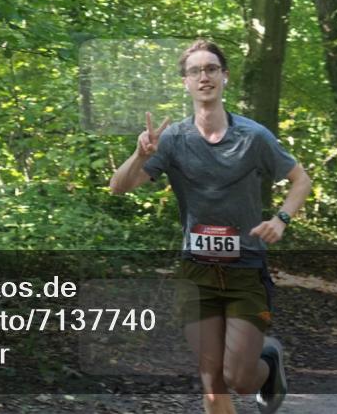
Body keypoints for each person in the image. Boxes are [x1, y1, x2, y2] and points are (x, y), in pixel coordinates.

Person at [109, 39, 312, 414]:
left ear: (225, 77)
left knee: (238, 377)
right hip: (196, 269)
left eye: (212, 69)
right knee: (211, 376)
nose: (204, 77)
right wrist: (140, 155)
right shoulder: (171, 139)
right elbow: (118, 187)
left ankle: (268, 365)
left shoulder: (254, 136)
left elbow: (301, 180)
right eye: (195, 71)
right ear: (185, 82)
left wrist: (280, 219)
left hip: (246, 270)